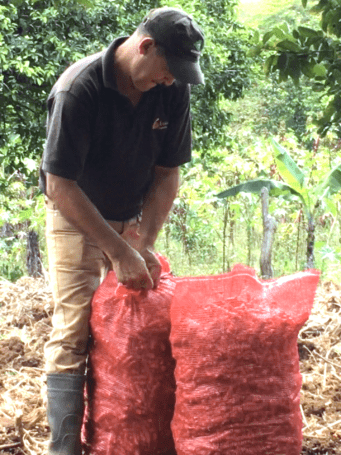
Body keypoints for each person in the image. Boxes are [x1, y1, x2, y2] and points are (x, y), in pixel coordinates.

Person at [39, 6, 204, 455]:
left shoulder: (172, 88)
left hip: (131, 216)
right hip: (75, 214)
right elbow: (60, 184)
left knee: (135, 320)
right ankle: (65, 448)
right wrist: (116, 252)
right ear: (145, 47)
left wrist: (143, 242)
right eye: (168, 70)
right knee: (74, 328)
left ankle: (130, 438)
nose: (171, 81)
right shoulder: (81, 88)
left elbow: (167, 173)